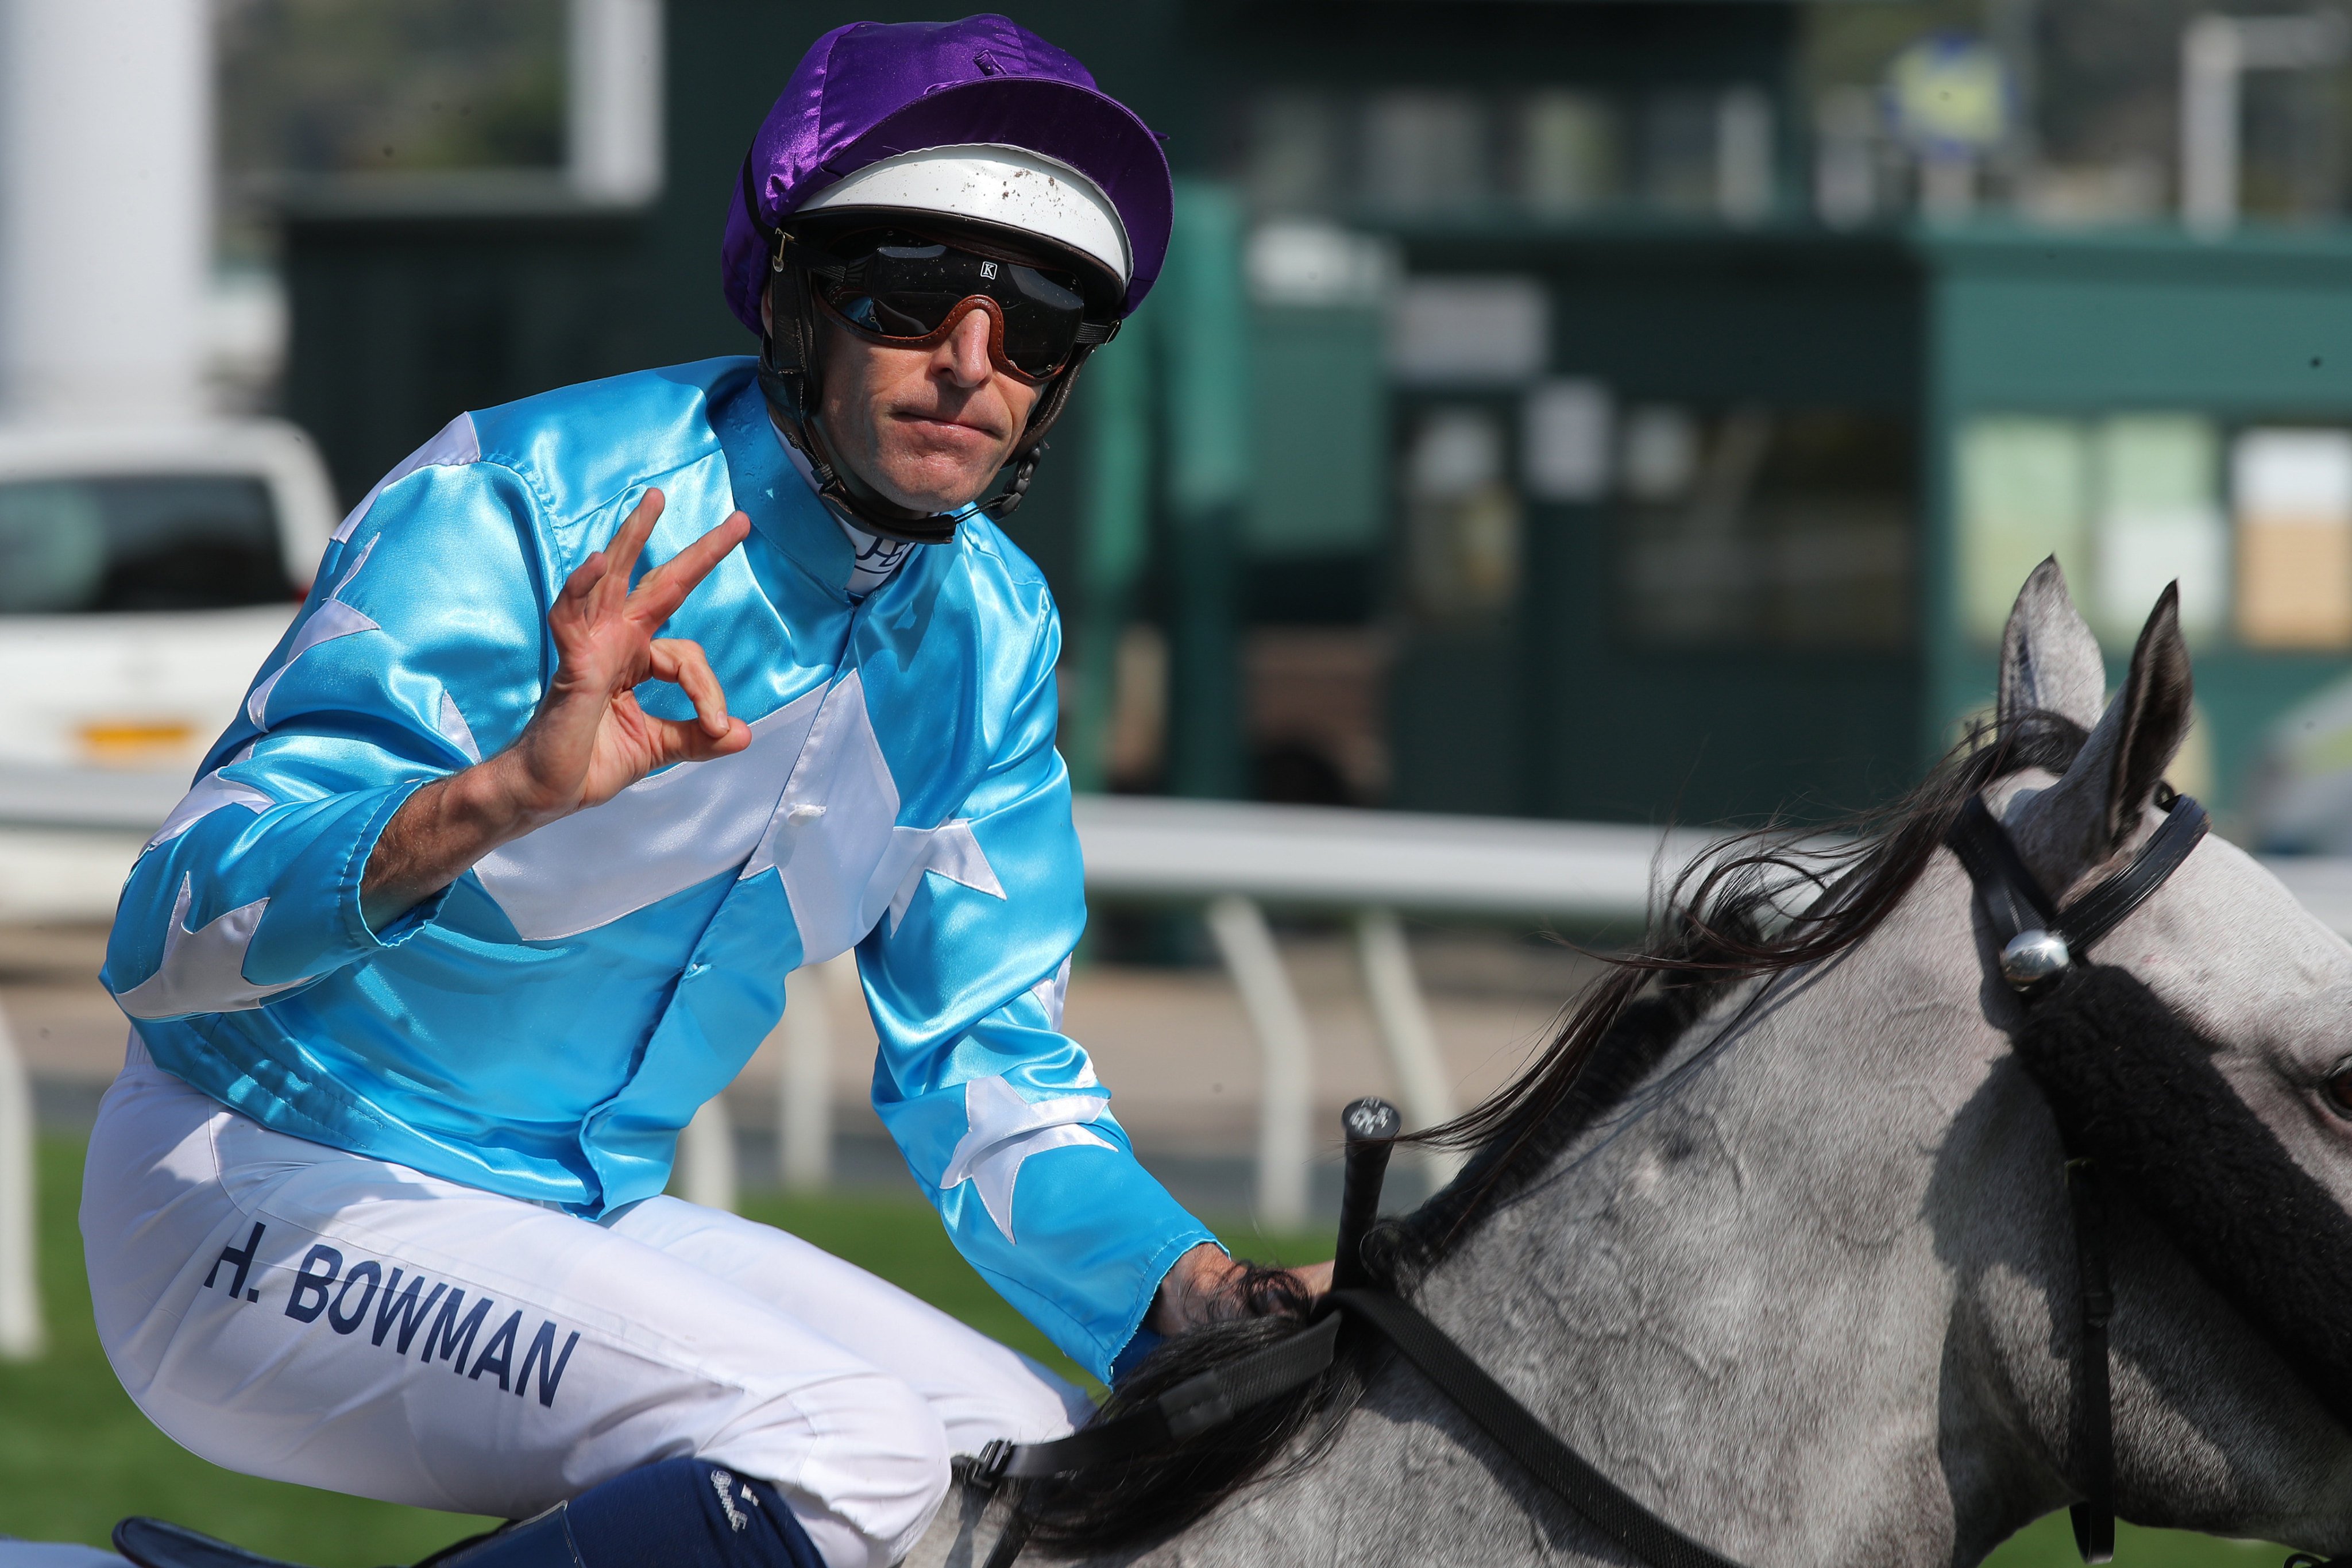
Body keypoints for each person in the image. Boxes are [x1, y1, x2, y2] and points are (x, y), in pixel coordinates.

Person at [83, 17, 1326, 1568]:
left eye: (1039, 323)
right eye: (915, 292)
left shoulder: (993, 634)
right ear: (802, 302)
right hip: (251, 1188)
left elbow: (986, 1064)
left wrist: (1188, 1289)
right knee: (852, 1455)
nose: (970, 362)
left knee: (1055, 1486)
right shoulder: (521, 496)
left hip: (568, 1215)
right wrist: (502, 794)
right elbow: (155, 938)